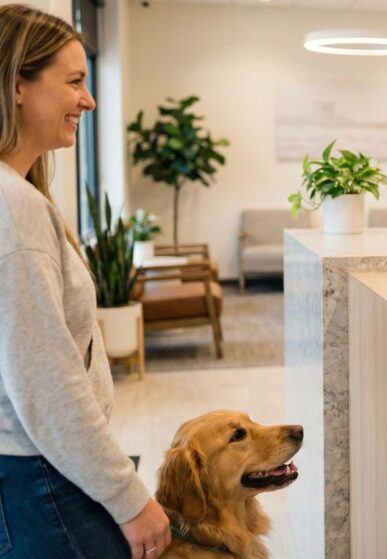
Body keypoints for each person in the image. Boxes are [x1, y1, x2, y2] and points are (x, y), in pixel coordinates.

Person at [0, 5, 170, 558]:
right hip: (40, 477)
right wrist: (130, 499)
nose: (88, 101)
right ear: (17, 85)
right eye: (74, 81)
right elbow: (46, 384)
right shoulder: (14, 208)